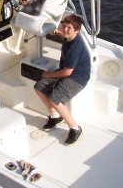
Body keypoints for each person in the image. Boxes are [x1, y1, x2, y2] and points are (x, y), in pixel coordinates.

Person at [34, 14, 91, 146]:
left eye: (68, 28)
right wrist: (58, 33)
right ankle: (55, 116)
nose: (65, 29)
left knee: (55, 98)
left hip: (77, 78)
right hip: (67, 74)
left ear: (76, 30)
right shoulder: (68, 37)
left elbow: (67, 72)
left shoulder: (75, 48)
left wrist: (46, 74)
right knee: (39, 87)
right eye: (63, 26)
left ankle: (74, 128)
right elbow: (64, 36)